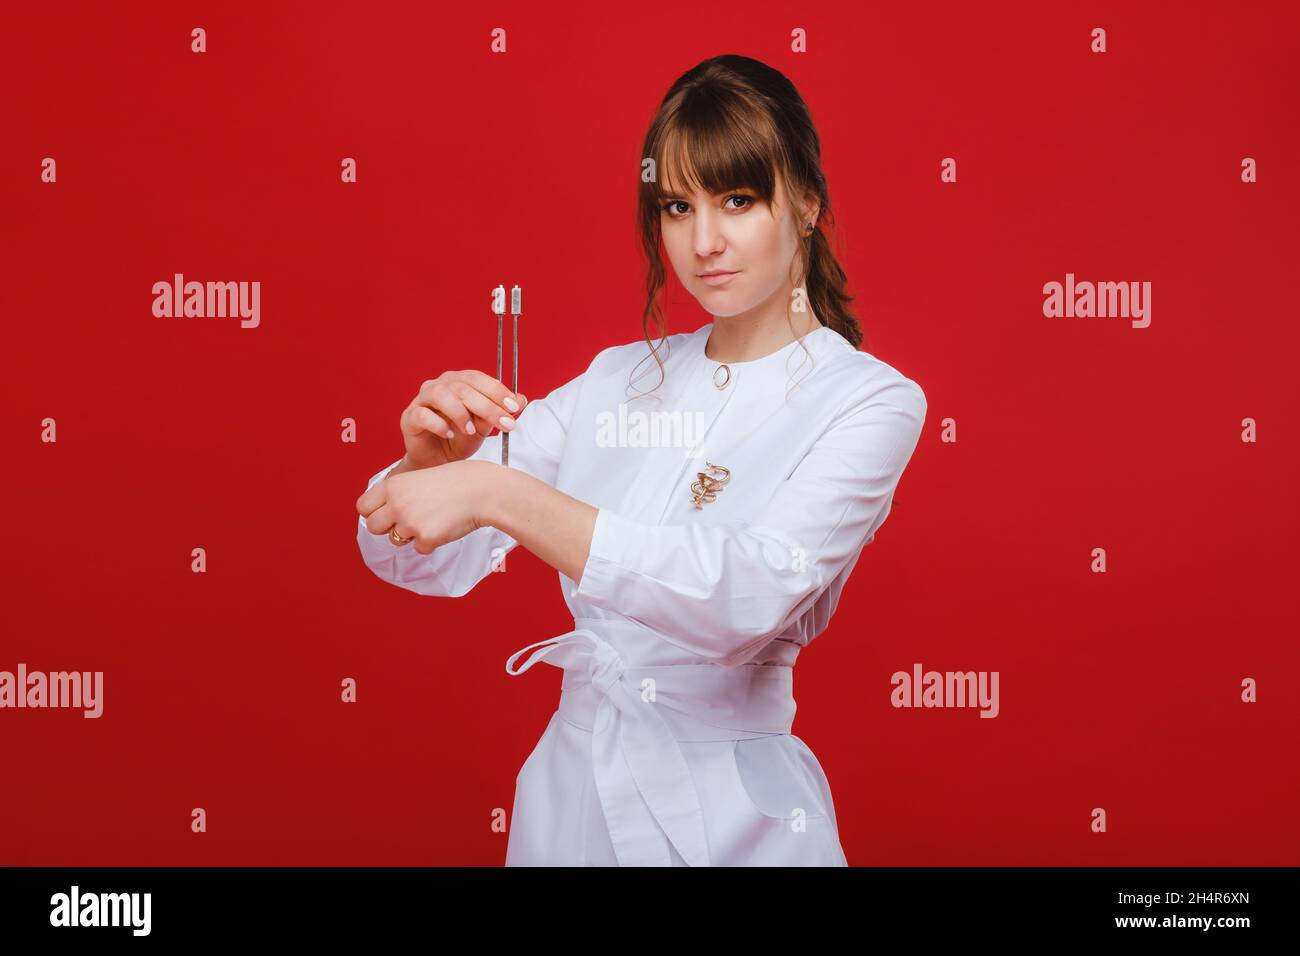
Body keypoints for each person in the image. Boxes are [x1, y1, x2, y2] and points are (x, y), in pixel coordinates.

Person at [354, 54, 927, 866]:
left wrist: (495, 492)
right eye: (676, 206)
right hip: (572, 792)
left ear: (805, 202)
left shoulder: (868, 401)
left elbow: (742, 595)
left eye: (738, 199)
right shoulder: (617, 379)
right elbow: (414, 558)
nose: (703, 242)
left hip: (738, 813)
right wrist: (427, 467)